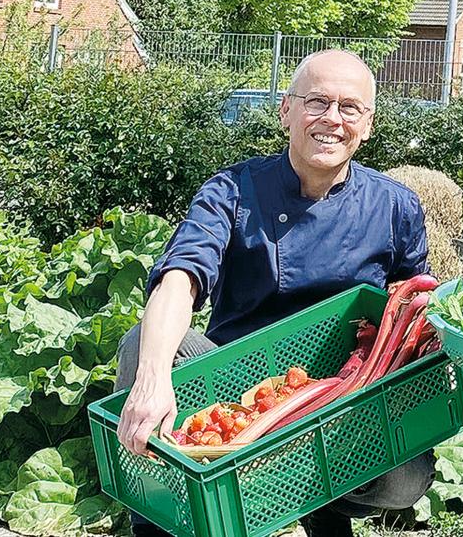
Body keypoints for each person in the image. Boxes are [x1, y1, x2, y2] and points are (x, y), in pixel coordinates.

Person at [114, 49, 435, 537]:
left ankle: (322, 507)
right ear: (286, 110)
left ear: (367, 125)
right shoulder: (234, 190)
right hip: (231, 388)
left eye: (350, 108)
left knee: (404, 479)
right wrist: (154, 378)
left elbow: (410, 313)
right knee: (144, 345)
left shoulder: (394, 206)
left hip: (339, 399)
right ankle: (162, 522)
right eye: (317, 102)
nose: (333, 119)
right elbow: (180, 274)